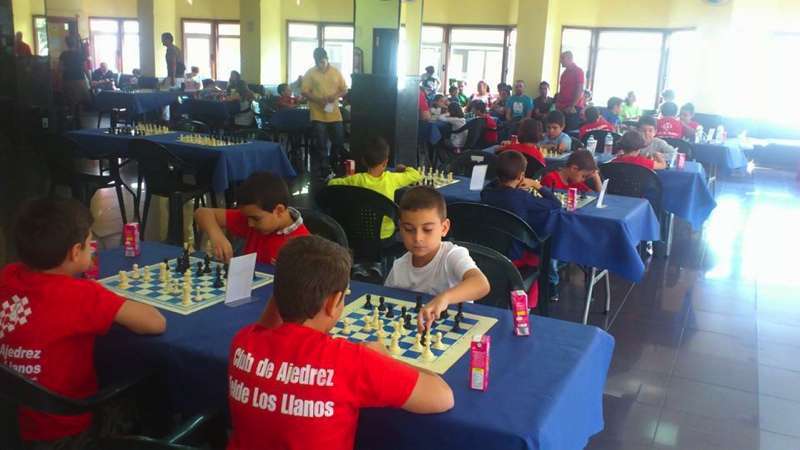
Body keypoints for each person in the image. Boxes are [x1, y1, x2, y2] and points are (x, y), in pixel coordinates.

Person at [226, 235, 454, 450]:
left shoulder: (244, 342)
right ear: (334, 302)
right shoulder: (351, 361)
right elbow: (443, 396)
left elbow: (269, 324)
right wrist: (385, 359)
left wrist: (287, 285)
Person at [0, 198, 166, 447]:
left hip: (12, 424)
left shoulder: (8, 275)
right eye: (90, 243)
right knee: (145, 390)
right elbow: (156, 322)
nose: (93, 249)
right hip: (69, 434)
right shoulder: (82, 295)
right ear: (75, 252)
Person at [385, 186, 491, 330]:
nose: (418, 238)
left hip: (455, 330)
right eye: (409, 229)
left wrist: (445, 298)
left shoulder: (452, 255)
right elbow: (385, 300)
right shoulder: (399, 266)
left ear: (444, 228)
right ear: (400, 228)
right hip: (417, 331)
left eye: (427, 229)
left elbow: (481, 284)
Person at [480, 151, 561, 303]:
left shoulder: (486, 193)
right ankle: (528, 303)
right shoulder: (522, 197)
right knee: (536, 254)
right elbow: (555, 204)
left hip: (488, 250)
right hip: (514, 255)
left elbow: (492, 186)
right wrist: (536, 185)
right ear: (521, 176)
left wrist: (504, 180)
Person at [194, 172, 309, 265]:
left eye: (255, 219)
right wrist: (217, 235)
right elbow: (202, 213)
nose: (250, 224)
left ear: (279, 210)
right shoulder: (253, 217)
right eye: (248, 218)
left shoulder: (303, 246)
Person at [328, 137, 421, 239]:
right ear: (385, 162)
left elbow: (331, 183)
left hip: (359, 232)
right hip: (385, 235)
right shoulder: (392, 179)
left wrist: (346, 177)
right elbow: (416, 175)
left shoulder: (357, 179)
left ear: (364, 161)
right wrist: (403, 168)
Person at [302, 47, 348, 182]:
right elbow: (304, 91)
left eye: (322, 62)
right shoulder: (310, 73)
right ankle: (325, 169)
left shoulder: (336, 72)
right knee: (321, 144)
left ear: (327, 59)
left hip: (334, 113)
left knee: (338, 140)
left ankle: (334, 162)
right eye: (318, 63)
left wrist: (335, 96)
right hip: (318, 114)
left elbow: (344, 89)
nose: (320, 65)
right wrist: (318, 99)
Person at [59, 35, 90, 129]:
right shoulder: (80, 54)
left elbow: (60, 68)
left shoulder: (63, 54)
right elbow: (85, 68)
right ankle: (79, 123)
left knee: (70, 103)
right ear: (75, 43)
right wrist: (90, 79)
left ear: (67, 43)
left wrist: (61, 79)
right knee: (79, 102)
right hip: (80, 80)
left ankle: (71, 123)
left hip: (68, 80)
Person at [555, 51, 585, 131]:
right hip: (562, 108)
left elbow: (580, 89)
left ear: (570, 58)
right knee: (561, 132)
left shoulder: (578, 71)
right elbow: (562, 90)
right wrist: (558, 105)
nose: (560, 61)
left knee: (570, 132)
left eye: (562, 58)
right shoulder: (564, 73)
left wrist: (572, 106)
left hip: (573, 108)